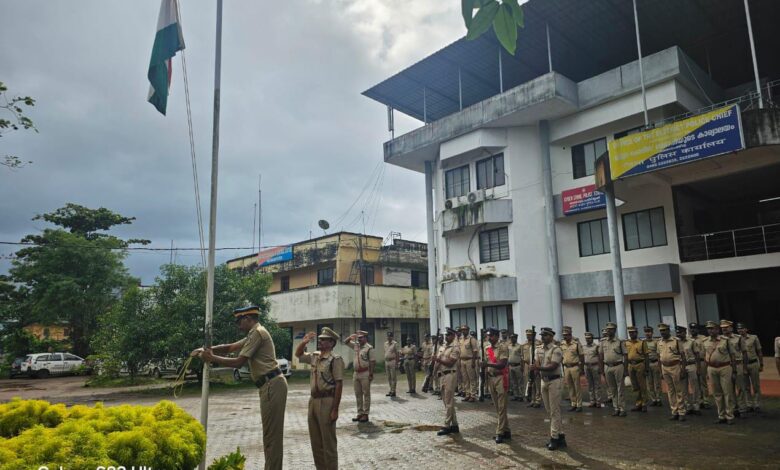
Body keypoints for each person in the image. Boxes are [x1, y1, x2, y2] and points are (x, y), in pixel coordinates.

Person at [193, 306, 287, 470]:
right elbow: (230, 347)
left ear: (247, 319)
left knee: (272, 437)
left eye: (239, 322)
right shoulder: (254, 333)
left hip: (272, 384)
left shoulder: (258, 333)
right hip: (269, 384)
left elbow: (238, 362)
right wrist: (206, 350)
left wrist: (211, 357)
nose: (238, 326)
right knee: (270, 436)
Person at [295, 327, 344, 469]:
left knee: (328, 443)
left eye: (324, 340)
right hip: (313, 401)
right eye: (320, 339)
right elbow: (298, 354)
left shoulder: (335, 360)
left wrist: (335, 409)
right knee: (316, 442)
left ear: (331, 343)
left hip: (327, 400)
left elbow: (339, 384)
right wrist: (303, 342)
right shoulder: (315, 356)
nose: (320, 341)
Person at [531, 327, 566, 451]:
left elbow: (553, 366)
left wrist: (537, 368)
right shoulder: (538, 349)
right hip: (543, 381)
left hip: (554, 381)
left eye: (545, 335)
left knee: (554, 411)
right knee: (550, 410)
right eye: (542, 335)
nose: (543, 337)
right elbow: (537, 363)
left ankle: (554, 438)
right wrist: (534, 371)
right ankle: (561, 436)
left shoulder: (556, 349)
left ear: (551, 336)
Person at [702, 320, 737, 425]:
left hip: (724, 367)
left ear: (717, 330)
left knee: (727, 392)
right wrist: (706, 371)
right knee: (716, 393)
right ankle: (721, 415)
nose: (710, 331)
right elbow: (704, 356)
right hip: (711, 368)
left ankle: (729, 415)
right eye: (708, 329)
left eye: (712, 328)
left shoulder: (725, 340)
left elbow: (733, 355)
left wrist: (734, 370)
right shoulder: (705, 341)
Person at [483, 328, 511, 443]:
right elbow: (486, 365)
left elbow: (502, 364)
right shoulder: (487, 348)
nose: (489, 338)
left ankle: (499, 432)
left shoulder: (503, 347)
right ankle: (506, 430)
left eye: (491, 336)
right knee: (497, 406)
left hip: (501, 377)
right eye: (488, 336)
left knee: (501, 406)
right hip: (491, 378)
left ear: (496, 336)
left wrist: (488, 364)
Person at [344, 330, 375, 422]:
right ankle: (360, 413)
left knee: (366, 394)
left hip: (365, 373)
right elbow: (345, 342)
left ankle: (366, 414)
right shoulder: (356, 346)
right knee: (358, 394)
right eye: (358, 338)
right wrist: (350, 337)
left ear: (365, 338)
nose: (359, 339)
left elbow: (372, 361)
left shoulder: (369, 348)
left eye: (361, 338)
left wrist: (371, 373)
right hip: (356, 373)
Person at [658, 323, 687, 421]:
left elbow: (683, 356)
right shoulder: (659, 342)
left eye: (664, 330)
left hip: (675, 366)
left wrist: (683, 370)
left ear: (668, 331)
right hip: (664, 367)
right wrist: (660, 371)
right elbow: (659, 357)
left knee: (679, 390)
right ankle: (674, 411)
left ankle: (681, 412)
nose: (662, 332)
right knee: (670, 391)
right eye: (661, 331)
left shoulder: (676, 341)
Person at [437, 327, 461, 436]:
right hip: (442, 375)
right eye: (445, 335)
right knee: (446, 401)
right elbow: (438, 362)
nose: (446, 337)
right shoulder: (443, 347)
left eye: (448, 335)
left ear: (453, 336)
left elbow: (451, 363)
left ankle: (447, 425)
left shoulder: (455, 348)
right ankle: (454, 424)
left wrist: (438, 360)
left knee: (449, 401)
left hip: (450, 374)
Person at [721, 319, 748, 417]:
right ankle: (733, 408)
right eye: (723, 328)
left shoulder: (738, 338)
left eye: (726, 327)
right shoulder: (720, 339)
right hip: (726, 366)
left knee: (740, 387)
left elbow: (744, 353)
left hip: (738, 364)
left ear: (731, 328)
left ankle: (742, 408)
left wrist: (745, 367)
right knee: (729, 389)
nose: (724, 329)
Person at [600, 322, 627, 417]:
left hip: (618, 366)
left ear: (615, 330)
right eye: (608, 329)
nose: (609, 331)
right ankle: (616, 408)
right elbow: (601, 355)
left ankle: (622, 408)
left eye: (611, 329)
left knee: (620, 388)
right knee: (612, 389)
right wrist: (602, 370)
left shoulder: (620, 342)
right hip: (607, 366)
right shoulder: (603, 342)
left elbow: (625, 355)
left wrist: (625, 369)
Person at [676, 325, 702, 415]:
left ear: (685, 332)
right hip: (680, 366)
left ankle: (696, 406)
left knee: (695, 387)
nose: (679, 334)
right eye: (678, 333)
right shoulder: (676, 343)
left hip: (691, 365)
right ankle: (688, 406)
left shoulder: (691, 342)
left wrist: (698, 368)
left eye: (681, 332)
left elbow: (697, 355)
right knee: (683, 388)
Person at [737, 323, 762, 412]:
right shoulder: (736, 339)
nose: (740, 330)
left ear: (746, 329)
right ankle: (749, 404)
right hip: (742, 364)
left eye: (742, 328)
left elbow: (759, 351)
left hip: (753, 363)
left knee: (756, 385)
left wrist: (761, 364)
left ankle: (757, 404)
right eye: (739, 329)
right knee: (745, 386)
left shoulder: (753, 338)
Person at [625, 326, 650, 413]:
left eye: (633, 332)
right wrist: (625, 369)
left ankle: (644, 404)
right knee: (635, 386)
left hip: (640, 364)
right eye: (630, 332)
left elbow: (646, 356)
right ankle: (638, 403)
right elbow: (625, 356)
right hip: (630, 365)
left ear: (636, 333)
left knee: (642, 385)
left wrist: (647, 368)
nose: (631, 334)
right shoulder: (627, 343)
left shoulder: (642, 343)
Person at [560, 326, 584, 412]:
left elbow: (581, 356)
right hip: (566, 367)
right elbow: (561, 356)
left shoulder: (576, 343)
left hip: (575, 367)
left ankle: (579, 405)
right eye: (564, 335)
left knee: (577, 386)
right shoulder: (562, 344)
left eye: (566, 335)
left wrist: (581, 368)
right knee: (570, 387)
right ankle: (573, 403)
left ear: (570, 335)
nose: (565, 337)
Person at [690, 323, 710, 409]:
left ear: (697, 329)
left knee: (702, 382)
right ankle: (698, 400)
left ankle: (705, 400)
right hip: (692, 362)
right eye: (691, 328)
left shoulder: (703, 338)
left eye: (694, 328)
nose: (693, 330)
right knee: (695, 383)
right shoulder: (688, 339)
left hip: (701, 362)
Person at [582, 332, 603, 408]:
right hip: (587, 367)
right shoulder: (583, 347)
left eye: (589, 338)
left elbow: (600, 357)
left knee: (597, 384)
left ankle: (598, 401)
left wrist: (600, 368)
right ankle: (592, 401)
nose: (588, 340)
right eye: (586, 338)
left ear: (592, 338)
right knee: (590, 384)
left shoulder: (596, 347)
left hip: (595, 366)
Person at [522, 328, 543, 408]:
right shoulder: (524, 344)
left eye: (530, 335)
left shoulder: (538, 343)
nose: (528, 337)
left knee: (537, 383)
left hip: (535, 365)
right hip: (527, 365)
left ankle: (538, 400)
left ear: (534, 335)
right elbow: (522, 356)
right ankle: (532, 399)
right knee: (529, 382)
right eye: (527, 335)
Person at [643, 325, 663, 407]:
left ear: (652, 333)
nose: (648, 333)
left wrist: (660, 365)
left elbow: (659, 354)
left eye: (649, 332)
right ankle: (653, 399)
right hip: (647, 364)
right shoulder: (643, 342)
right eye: (646, 332)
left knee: (657, 382)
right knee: (649, 383)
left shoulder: (656, 342)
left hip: (655, 363)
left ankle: (658, 399)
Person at [459, 325, 479, 402]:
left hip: (470, 360)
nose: (463, 331)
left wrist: (473, 361)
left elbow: (475, 351)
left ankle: (473, 395)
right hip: (462, 360)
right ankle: (467, 394)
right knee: (465, 379)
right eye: (462, 330)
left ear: (468, 330)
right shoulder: (461, 339)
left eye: (465, 330)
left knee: (472, 378)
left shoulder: (471, 339)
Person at [507, 333, 524, 401]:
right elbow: (508, 356)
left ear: (516, 338)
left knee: (520, 381)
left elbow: (522, 356)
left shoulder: (520, 346)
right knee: (513, 381)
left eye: (513, 338)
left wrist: (522, 366)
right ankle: (516, 395)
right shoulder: (509, 346)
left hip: (518, 365)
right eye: (511, 338)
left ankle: (521, 395)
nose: (512, 339)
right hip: (511, 365)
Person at [384, 331, 400, 397]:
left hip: (393, 361)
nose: (389, 337)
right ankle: (391, 390)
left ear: (392, 337)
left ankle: (394, 391)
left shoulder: (395, 344)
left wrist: (397, 363)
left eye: (390, 336)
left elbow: (397, 353)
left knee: (393, 377)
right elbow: (385, 352)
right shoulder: (385, 343)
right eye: (388, 336)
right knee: (389, 377)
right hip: (387, 361)